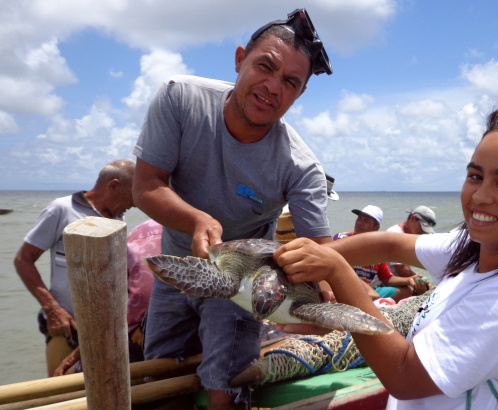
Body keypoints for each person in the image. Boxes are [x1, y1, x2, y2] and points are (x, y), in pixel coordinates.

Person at [273, 105, 498, 408]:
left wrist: (338, 274)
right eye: (476, 176)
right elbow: (391, 245)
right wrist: (297, 260)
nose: (479, 196)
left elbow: (404, 376)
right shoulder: (475, 250)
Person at [131, 8, 333, 409]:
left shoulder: (301, 166)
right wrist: (197, 220)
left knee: (226, 386)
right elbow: (146, 186)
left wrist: (326, 295)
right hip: (178, 260)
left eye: (290, 82)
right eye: (265, 67)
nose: (273, 87)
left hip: (241, 283)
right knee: (158, 373)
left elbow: (322, 251)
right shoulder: (180, 97)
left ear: (300, 94)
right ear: (240, 59)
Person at [13, 159, 136, 377]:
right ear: (114, 185)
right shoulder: (61, 209)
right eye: (133, 194)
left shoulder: (120, 218)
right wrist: (52, 309)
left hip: (105, 328)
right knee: (60, 390)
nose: (136, 203)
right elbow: (23, 259)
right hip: (66, 324)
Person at [52, 219, 162, 376]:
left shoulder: (143, 232)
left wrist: (78, 354)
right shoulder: (143, 233)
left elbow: (116, 307)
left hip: (139, 341)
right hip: (137, 338)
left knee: (67, 379)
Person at [334, 205, 427, 302]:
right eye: (359, 218)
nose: (359, 223)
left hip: (369, 292)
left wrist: (409, 280)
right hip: (346, 289)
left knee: (407, 291)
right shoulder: (342, 239)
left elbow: (387, 279)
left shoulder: (378, 250)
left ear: (376, 228)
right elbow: (338, 269)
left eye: (366, 221)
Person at [386, 205, 436, 278]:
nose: (423, 232)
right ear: (412, 218)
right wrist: (425, 282)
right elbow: (402, 271)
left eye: (426, 231)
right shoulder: (397, 235)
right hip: (384, 283)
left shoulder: (408, 235)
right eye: (422, 228)